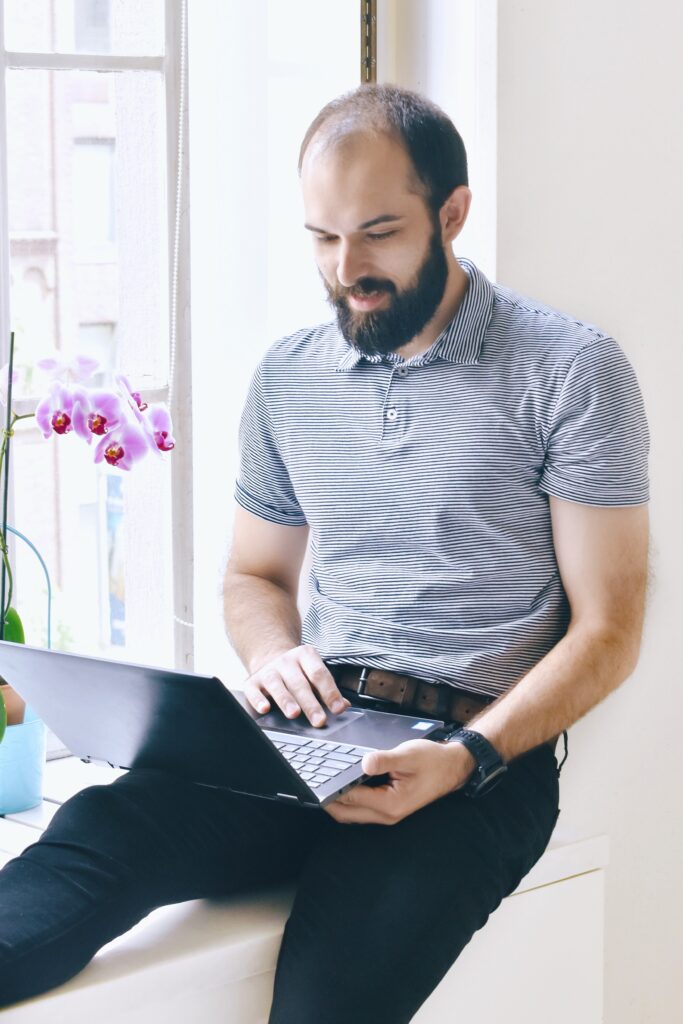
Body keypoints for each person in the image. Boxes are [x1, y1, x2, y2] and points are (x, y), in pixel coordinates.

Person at [0, 85, 649, 1023]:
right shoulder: (287, 377)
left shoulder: (570, 370)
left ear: (452, 212)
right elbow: (253, 577)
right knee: (104, 828)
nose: (347, 268)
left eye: (379, 232)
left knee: (325, 1004)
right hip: (308, 734)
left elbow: (609, 629)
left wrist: (467, 757)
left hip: (474, 765)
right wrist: (274, 655)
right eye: (321, 237)